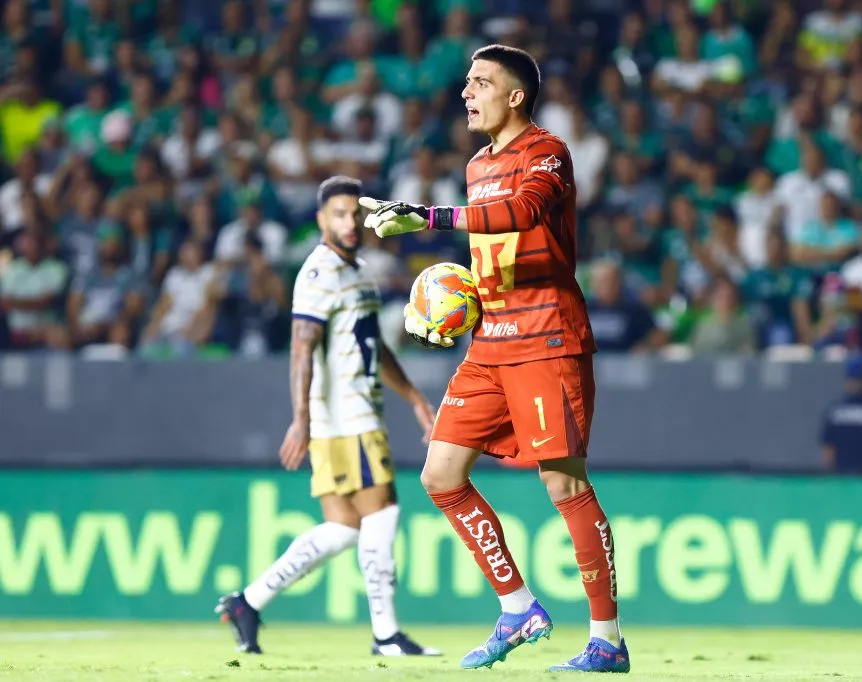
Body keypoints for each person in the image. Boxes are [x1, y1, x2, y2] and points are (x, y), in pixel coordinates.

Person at [359, 45, 629, 674]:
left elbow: (522, 214)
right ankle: (517, 607)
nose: (466, 92)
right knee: (440, 476)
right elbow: (492, 251)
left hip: (545, 337)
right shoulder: (478, 164)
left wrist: (426, 217)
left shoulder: (547, 152)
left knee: (564, 483)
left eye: (481, 82)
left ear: (515, 97)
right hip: (490, 343)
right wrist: (445, 305)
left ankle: (607, 640)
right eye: (466, 81)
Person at [215, 176, 439, 658]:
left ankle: (248, 602)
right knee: (383, 511)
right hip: (346, 417)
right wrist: (302, 419)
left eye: (355, 213)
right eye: (338, 214)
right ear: (321, 219)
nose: (349, 222)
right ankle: (386, 634)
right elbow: (301, 349)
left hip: (357, 411)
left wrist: (415, 398)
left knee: (343, 527)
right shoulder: (318, 274)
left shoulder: (357, 270)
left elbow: (373, 344)